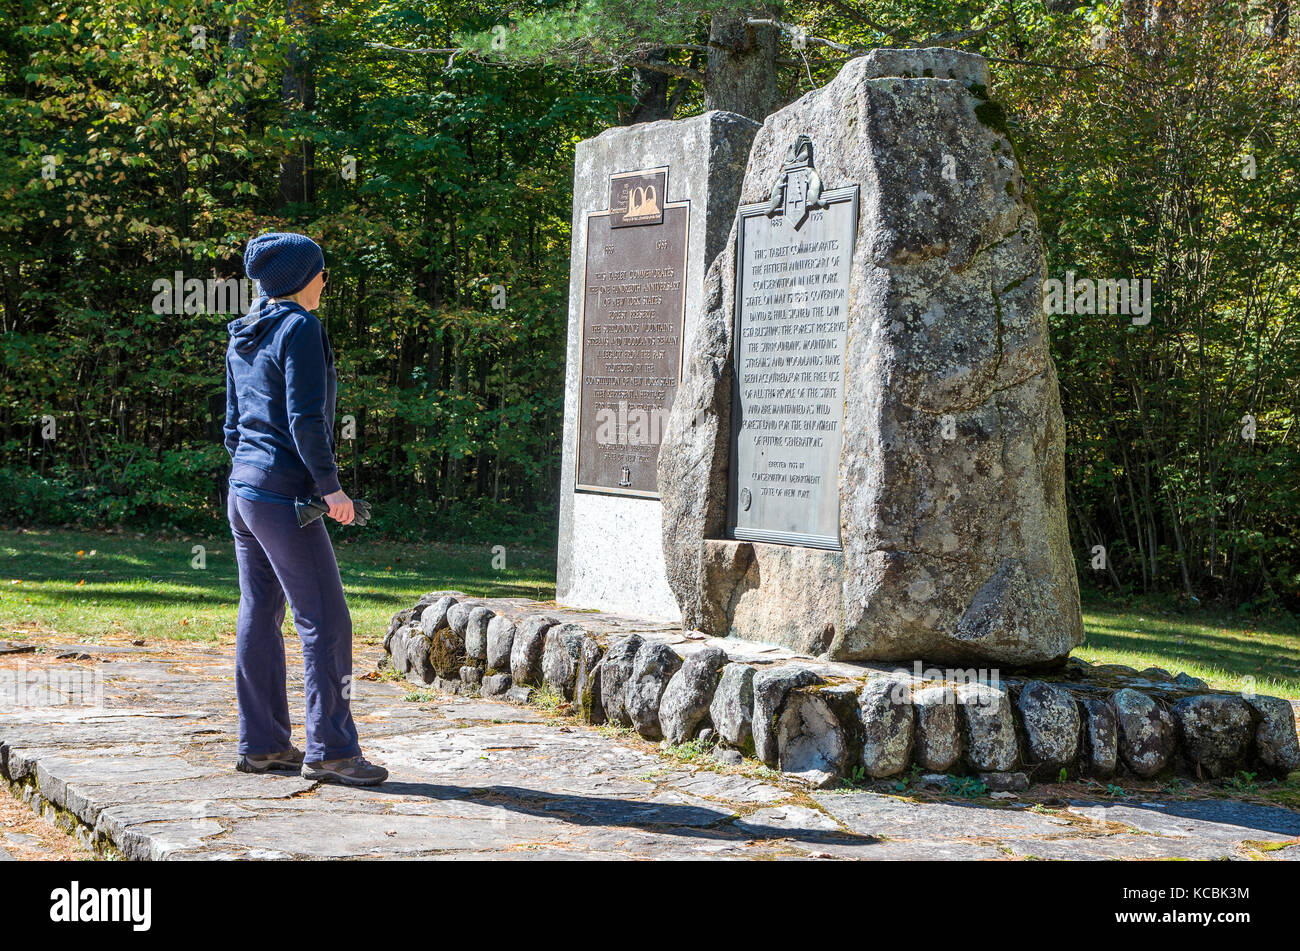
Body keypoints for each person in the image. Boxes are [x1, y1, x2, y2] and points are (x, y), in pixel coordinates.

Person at [223, 232, 387, 787]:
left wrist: (255, 470)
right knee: (325, 619)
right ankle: (333, 751)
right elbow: (305, 419)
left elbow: (232, 423)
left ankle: (264, 746)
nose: (325, 281)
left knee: (260, 613)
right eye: (321, 272)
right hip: (283, 495)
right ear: (301, 277)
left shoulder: (244, 330)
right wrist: (330, 488)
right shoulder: (300, 327)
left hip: (243, 491)